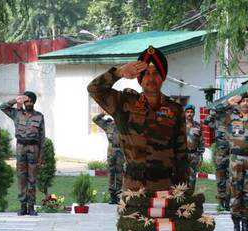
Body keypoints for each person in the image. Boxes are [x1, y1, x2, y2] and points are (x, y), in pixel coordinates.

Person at [87, 45, 188, 194]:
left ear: (163, 77)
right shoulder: (124, 103)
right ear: (139, 79)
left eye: (156, 73)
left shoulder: (175, 109)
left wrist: (183, 192)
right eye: (146, 73)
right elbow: (94, 89)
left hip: (165, 188)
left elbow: (181, 154)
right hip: (134, 189)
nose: (151, 78)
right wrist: (119, 72)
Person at [214, 93, 248, 231]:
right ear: (238, 103)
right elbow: (215, 112)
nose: (246, 103)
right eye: (243, 101)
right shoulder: (230, 118)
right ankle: (236, 227)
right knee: (235, 194)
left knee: (247, 195)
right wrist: (228, 103)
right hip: (235, 159)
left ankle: (245, 227)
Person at [0, 91, 45, 216]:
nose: (28, 103)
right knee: (21, 177)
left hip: (34, 148)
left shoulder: (39, 116)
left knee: (32, 178)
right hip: (21, 147)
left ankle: (31, 206)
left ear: (34, 102)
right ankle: (23, 206)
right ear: (24, 102)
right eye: (26, 101)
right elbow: (3, 107)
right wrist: (16, 100)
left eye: (30, 101)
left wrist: (41, 156)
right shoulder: (17, 113)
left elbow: (42, 137)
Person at [93, 112, 125, 204]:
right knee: (111, 173)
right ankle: (112, 196)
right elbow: (95, 119)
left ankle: (118, 196)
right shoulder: (108, 124)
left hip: (120, 151)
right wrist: (103, 113)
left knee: (119, 173)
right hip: (111, 151)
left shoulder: (123, 125)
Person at [204, 105, 230, 210]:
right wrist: (219, 108)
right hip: (220, 154)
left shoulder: (236, 119)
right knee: (220, 179)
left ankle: (228, 201)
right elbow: (206, 121)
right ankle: (221, 201)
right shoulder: (217, 120)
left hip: (233, 154)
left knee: (232, 179)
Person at [184, 104, 204, 191]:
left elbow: (201, 142)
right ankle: (180, 195)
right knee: (181, 175)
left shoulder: (198, 126)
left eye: (191, 112)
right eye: (187, 112)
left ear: (194, 113)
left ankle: (190, 194)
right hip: (183, 154)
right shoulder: (180, 125)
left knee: (192, 177)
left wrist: (200, 156)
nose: (189, 114)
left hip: (194, 155)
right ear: (185, 113)